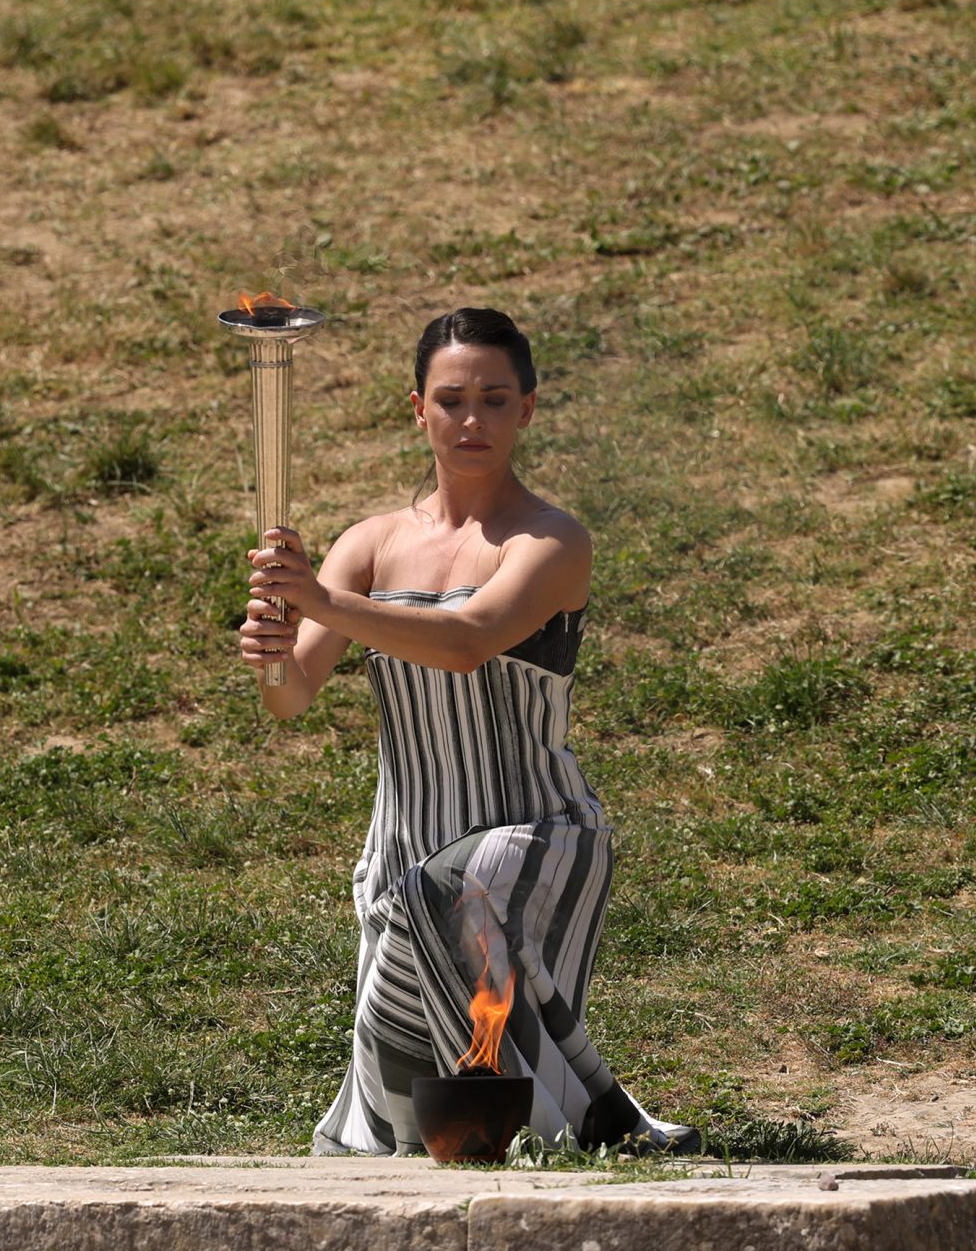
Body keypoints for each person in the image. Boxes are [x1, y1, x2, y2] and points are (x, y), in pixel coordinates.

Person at [241, 306, 697, 1158]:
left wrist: (319, 599)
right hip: (403, 850)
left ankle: (598, 1114)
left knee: (453, 895)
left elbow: (466, 642)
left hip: (532, 838)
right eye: (451, 400)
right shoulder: (369, 544)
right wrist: (271, 645)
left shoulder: (552, 540)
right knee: (417, 1126)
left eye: (494, 398)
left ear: (527, 408)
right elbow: (292, 694)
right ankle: (586, 1127)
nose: (472, 418)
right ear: (418, 409)